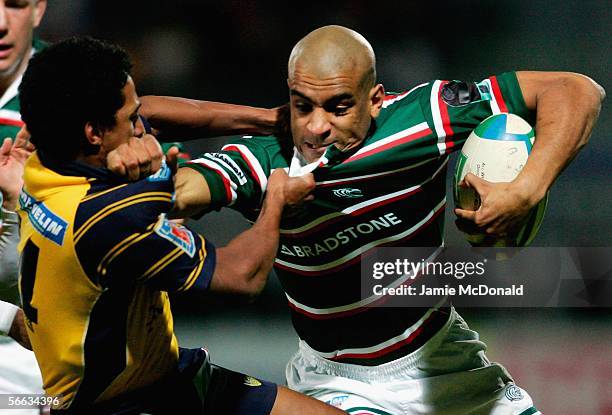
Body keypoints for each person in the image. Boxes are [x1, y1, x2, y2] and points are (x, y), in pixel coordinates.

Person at [140, 25, 605, 414]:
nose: (317, 126)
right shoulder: (264, 163)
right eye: (303, 105)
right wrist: (157, 189)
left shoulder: (425, 119)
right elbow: (184, 184)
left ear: (375, 99)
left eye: (338, 106)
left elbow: (576, 90)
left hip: (444, 355)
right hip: (342, 379)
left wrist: (525, 189)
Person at [17, 36, 344, 415]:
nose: (142, 128)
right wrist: (276, 200)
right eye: (131, 121)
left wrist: (272, 120)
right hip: (122, 404)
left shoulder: (42, 160)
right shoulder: (108, 220)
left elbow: (152, 111)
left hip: (167, 375)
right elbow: (242, 276)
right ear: (94, 133)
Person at [0, 0, 47, 411]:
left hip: (47, 364)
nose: (0, 23)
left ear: (39, 8)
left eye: (14, 5)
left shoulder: (84, 89)